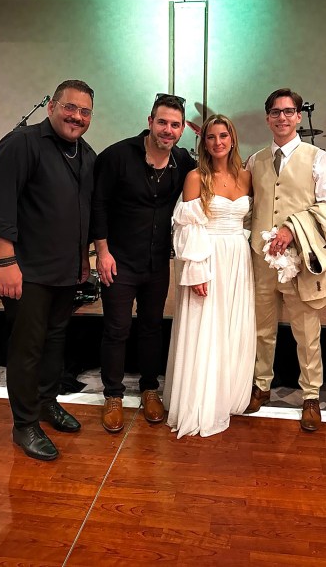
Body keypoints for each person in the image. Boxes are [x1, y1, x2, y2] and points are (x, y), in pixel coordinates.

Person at [0, 80, 96, 461]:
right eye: (70, 107)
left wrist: (82, 261)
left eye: (84, 111)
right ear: (51, 107)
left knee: (54, 342)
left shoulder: (86, 155)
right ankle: (24, 424)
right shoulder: (21, 144)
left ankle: (47, 403)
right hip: (25, 271)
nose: (76, 116)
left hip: (64, 272)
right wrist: (6, 263)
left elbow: (81, 214)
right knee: (27, 348)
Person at [92, 93, 196, 433]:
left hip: (157, 262)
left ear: (182, 129)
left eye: (175, 125)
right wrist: (102, 252)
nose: (168, 130)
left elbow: (212, 177)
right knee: (117, 329)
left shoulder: (182, 161)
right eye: (162, 122)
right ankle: (113, 395)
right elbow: (98, 205)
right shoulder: (117, 156)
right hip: (118, 260)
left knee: (152, 326)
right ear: (150, 121)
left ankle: (150, 388)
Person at [245, 88, 326, 431]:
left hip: (301, 262)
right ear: (267, 118)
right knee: (261, 329)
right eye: (275, 112)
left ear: (299, 117)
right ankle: (261, 385)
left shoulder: (318, 158)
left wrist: (292, 227)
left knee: (307, 331)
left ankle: (311, 395)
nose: (282, 118)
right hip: (261, 262)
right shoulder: (255, 161)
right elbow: (248, 208)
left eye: (288, 111)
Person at [163, 114, 256, 437]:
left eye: (223, 135)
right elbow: (186, 228)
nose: (218, 142)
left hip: (238, 259)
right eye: (211, 137)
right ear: (203, 142)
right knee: (205, 326)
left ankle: (227, 395)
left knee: (232, 325)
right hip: (207, 257)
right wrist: (196, 270)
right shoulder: (195, 177)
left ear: (232, 139)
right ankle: (201, 400)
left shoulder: (247, 176)